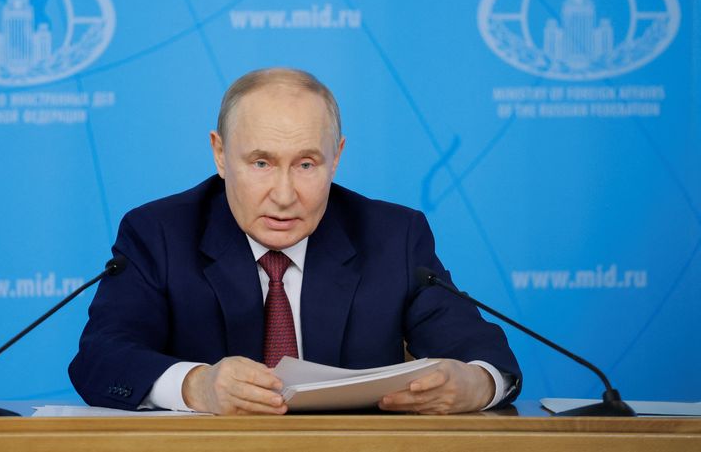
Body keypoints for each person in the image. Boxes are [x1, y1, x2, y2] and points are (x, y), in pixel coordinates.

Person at [69, 68, 521, 415]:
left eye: (306, 164)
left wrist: (475, 385)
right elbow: (100, 359)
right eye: (261, 163)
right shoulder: (159, 234)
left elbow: (485, 356)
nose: (284, 196)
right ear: (220, 154)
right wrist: (197, 386)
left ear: (337, 157)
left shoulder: (393, 236)